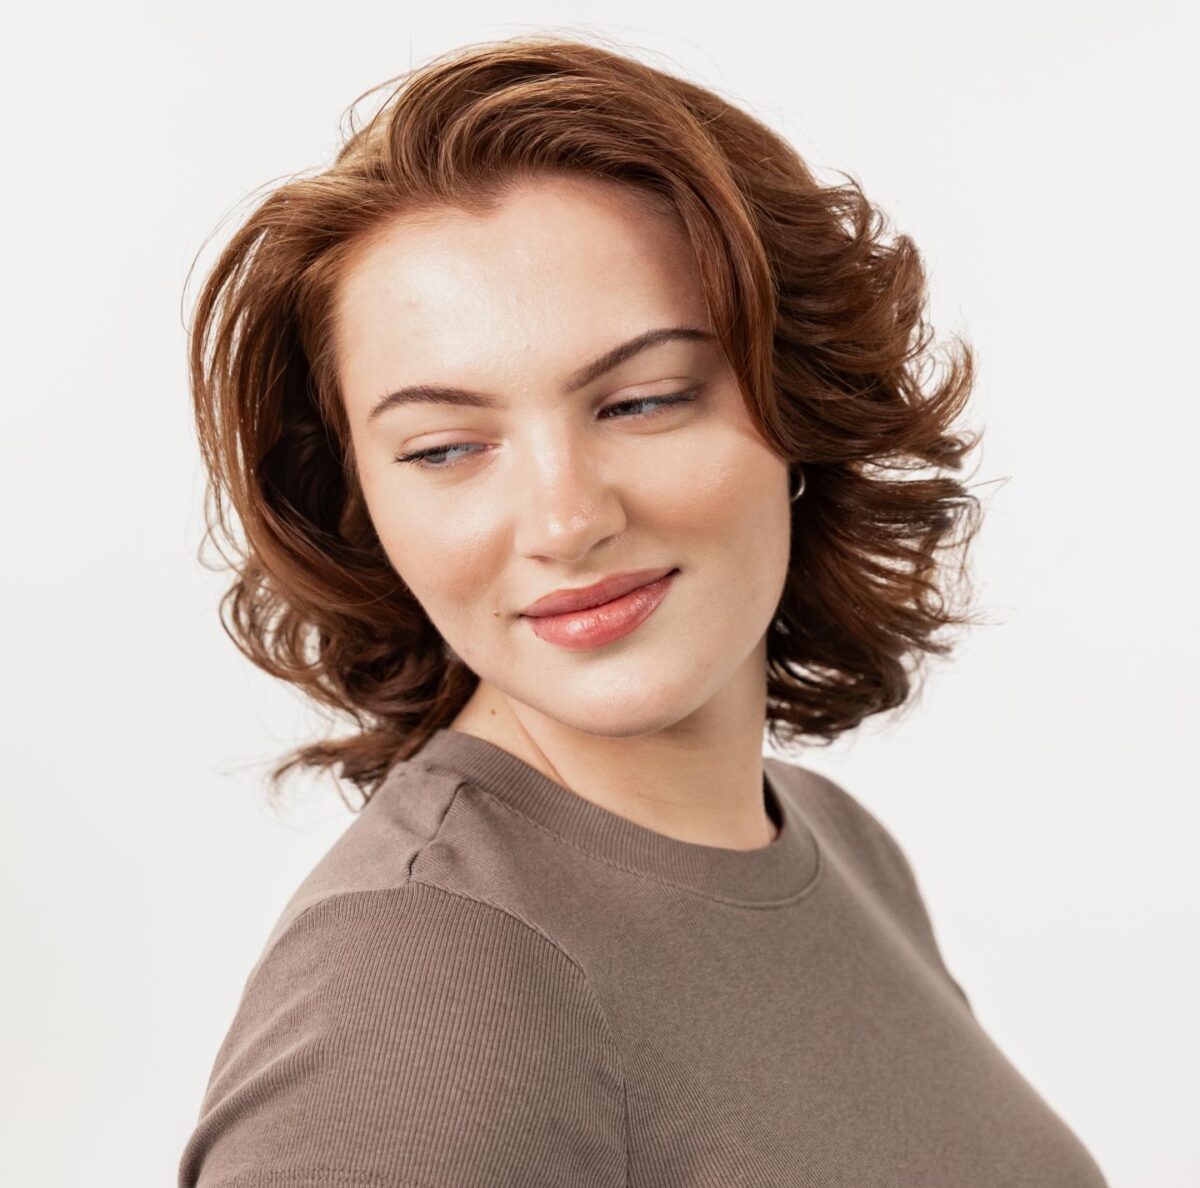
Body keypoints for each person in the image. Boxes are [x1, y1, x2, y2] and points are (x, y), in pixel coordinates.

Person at [176, 33, 1108, 1187]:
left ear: (798, 402)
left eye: (644, 400)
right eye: (446, 447)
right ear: (358, 503)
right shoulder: (424, 980)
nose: (566, 519)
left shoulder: (838, 848)